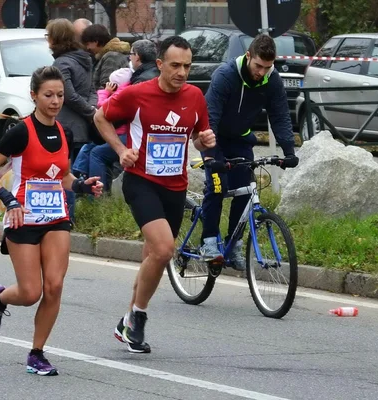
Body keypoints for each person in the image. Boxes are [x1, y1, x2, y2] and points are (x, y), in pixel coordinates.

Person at [0, 66, 103, 376]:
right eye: (48, 95)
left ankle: (37, 353)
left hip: (56, 217)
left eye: (60, 95)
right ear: (34, 96)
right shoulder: (20, 131)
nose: (56, 101)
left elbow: (61, 177)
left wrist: (83, 185)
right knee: (30, 292)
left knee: (55, 286)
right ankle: (0, 297)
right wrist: (9, 200)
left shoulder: (65, 132)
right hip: (24, 218)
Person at [93, 36, 216, 353]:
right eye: (175, 65)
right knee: (163, 250)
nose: (182, 72)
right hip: (141, 181)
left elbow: (198, 139)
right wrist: (121, 150)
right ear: (160, 64)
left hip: (176, 186)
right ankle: (139, 317)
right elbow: (100, 117)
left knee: (153, 257)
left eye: (187, 66)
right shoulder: (137, 94)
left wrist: (205, 140)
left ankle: (126, 323)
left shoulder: (195, 97)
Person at [199, 34, 299, 270]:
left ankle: (233, 245)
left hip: (241, 139)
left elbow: (280, 115)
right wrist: (212, 155)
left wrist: (289, 151)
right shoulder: (226, 75)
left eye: (267, 67)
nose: (262, 72)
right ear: (248, 57)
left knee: (245, 191)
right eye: (258, 66)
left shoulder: (272, 79)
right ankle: (209, 242)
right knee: (217, 185)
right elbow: (210, 115)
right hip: (215, 138)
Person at [47, 18, 98, 221]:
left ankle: (66, 217)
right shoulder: (84, 59)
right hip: (82, 127)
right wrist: (92, 111)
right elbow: (91, 90)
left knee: (63, 174)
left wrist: (89, 112)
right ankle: (74, 213)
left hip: (65, 127)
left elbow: (66, 95)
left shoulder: (61, 63)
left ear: (55, 38)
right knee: (74, 172)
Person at [81, 24, 130, 90]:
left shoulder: (111, 57)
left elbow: (106, 87)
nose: (87, 48)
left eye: (88, 44)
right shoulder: (109, 56)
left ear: (96, 41)